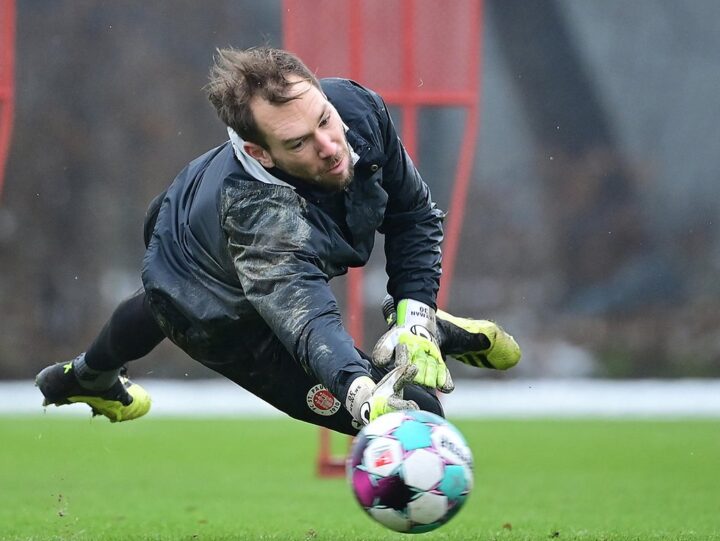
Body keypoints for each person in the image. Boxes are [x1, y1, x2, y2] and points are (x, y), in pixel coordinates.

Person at [36, 47, 521, 435]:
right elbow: (307, 322)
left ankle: (86, 377)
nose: (331, 146)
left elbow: (412, 213)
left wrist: (416, 310)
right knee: (416, 415)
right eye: (297, 143)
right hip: (225, 318)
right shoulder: (260, 221)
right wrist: (358, 389)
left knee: (155, 303)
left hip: (193, 219)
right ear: (258, 153)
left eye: (324, 121)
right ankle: (88, 376)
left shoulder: (355, 107)